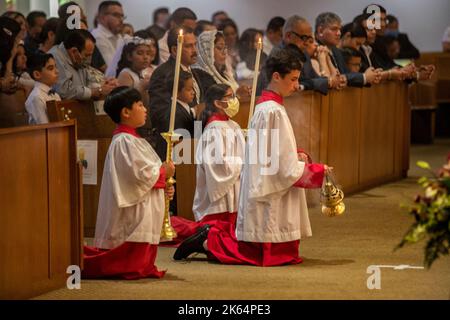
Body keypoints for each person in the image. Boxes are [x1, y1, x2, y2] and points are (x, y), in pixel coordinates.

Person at [174, 49, 330, 265]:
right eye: (293, 79)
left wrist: (296, 155)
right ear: (276, 76)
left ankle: (210, 239)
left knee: (263, 248)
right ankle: (209, 240)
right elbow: (276, 163)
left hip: (266, 179)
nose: (297, 85)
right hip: (267, 185)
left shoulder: (270, 108)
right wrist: (314, 171)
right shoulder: (270, 110)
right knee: (253, 251)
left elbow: (271, 151)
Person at [82, 86, 175, 280]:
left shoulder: (135, 139)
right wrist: (163, 172)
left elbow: (147, 172)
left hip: (145, 203)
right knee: (123, 261)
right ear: (125, 112)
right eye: (140, 105)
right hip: (133, 210)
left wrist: (165, 185)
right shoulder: (123, 141)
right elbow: (138, 176)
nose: (145, 109)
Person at [171, 84, 245, 242]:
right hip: (220, 196)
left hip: (235, 185)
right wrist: (244, 163)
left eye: (234, 96)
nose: (234, 100)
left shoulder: (233, 125)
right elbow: (218, 164)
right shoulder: (214, 129)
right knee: (218, 235)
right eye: (230, 97)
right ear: (218, 103)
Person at [148, 27, 206, 160]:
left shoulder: (193, 71)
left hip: (194, 139)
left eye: (195, 45)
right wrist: (193, 110)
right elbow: (159, 114)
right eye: (189, 46)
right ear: (174, 50)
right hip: (175, 145)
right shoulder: (163, 74)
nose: (195, 50)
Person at [315, 12, 382, 87]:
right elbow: (329, 80)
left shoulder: (335, 50)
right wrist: (364, 77)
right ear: (320, 31)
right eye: (334, 29)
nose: (339, 33)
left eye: (339, 29)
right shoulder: (314, 50)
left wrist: (370, 76)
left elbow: (345, 74)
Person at [50, 29, 116, 100]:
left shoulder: (77, 60)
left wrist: (104, 83)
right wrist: (97, 91)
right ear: (74, 51)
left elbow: (88, 82)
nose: (89, 60)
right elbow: (64, 91)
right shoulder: (54, 58)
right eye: (87, 55)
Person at [193, 30, 250, 99]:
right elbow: (212, 104)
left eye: (225, 48)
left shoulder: (225, 73)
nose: (224, 52)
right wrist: (237, 95)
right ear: (206, 52)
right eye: (219, 48)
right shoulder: (201, 77)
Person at [117, 37, 157, 107]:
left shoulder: (145, 72)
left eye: (148, 53)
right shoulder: (125, 74)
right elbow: (125, 102)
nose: (145, 57)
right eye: (140, 53)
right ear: (129, 56)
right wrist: (141, 87)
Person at [91, 1, 126, 77]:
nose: (121, 20)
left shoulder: (119, 37)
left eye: (122, 16)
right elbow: (111, 71)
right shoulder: (97, 37)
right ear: (102, 17)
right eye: (116, 15)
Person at [25, 52, 60, 125]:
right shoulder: (36, 98)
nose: (57, 71)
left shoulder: (56, 95)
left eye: (55, 67)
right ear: (37, 74)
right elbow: (44, 127)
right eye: (51, 68)